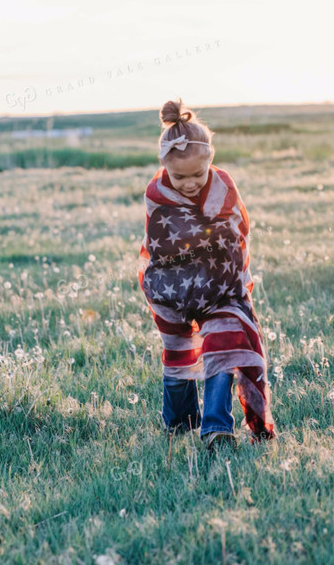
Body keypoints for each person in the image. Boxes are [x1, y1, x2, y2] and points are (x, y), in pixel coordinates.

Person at [137, 97, 277, 452]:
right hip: (172, 290)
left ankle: (217, 427)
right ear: (163, 165)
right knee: (179, 350)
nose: (188, 184)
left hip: (223, 287)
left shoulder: (224, 187)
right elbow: (163, 243)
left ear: (211, 162)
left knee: (225, 343)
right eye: (179, 176)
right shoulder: (157, 195)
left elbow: (238, 230)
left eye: (197, 174)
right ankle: (180, 421)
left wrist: (222, 258)